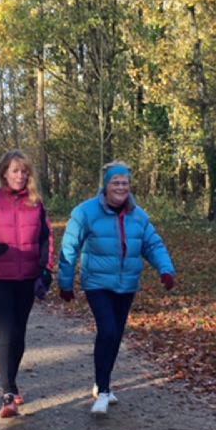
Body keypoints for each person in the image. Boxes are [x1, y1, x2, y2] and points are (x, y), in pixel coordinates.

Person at [58, 160, 176, 416]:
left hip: (127, 284)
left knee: (115, 335)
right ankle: (102, 390)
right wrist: (65, 283)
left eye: (125, 183)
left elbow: (153, 245)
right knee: (108, 330)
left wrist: (166, 269)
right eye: (116, 182)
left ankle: (104, 384)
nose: (121, 187)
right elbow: (70, 247)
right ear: (106, 185)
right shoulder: (85, 212)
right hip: (97, 282)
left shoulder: (139, 215)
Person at [0, 150, 54, 418]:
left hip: (27, 278)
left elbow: (46, 240)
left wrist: (46, 271)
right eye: (15, 170)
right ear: (4, 173)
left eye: (24, 171)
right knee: (6, 330)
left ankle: (12, 384)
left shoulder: (36, 203)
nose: (20, 175)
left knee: (20, 334)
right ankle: (7, 395)